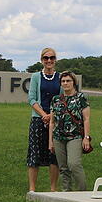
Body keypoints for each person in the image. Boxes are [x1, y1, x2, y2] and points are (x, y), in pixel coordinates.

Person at [48, 71, 90, 191]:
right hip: (58, 137)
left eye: (68, 81)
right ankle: (66, 193)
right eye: (63, 81)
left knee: (74, 164)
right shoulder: (55, 99)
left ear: (74, 82)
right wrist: (50, 141)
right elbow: (52, 122)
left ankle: (83, 191)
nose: (65, 83)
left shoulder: (81, 98)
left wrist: (86, 137)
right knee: (63, 168)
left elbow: (86, 119)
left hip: (75, 136)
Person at [26, 48, 60, 193]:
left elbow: (62, 99)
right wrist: (43, 115)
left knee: (54, 153)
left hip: (56, 120)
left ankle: (53, 188)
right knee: (35, 153)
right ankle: (32, 188)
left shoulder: (60, 77)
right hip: (38, 120)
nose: (49, 61)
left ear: (55, 60)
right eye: (46, 58)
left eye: (51, 58)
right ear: (42, 60)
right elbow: (31, 98)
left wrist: (52, 116)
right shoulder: (35, 77)